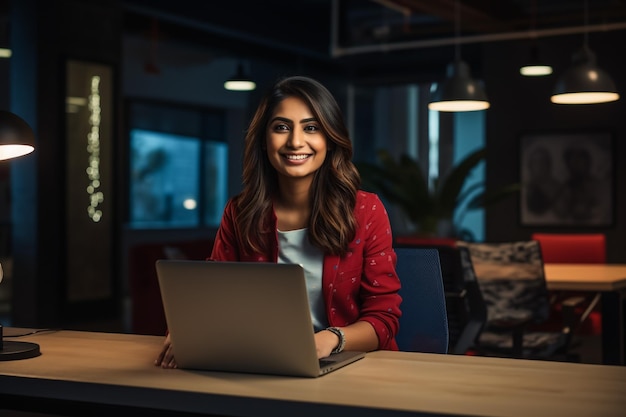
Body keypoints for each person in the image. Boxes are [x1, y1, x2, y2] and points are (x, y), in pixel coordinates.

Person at [155, 76, 402, 368]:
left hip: (351, 365)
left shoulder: (365, 210)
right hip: (264, 362)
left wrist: (331, 338)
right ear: (264, 139)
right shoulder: (240, 211)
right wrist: (186, 328)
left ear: (330, 139)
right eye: (281, 127)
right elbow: (214, 293)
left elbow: (384, 318)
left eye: (311, 128)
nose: (296, 141)